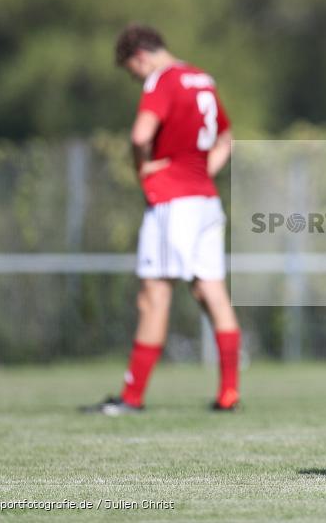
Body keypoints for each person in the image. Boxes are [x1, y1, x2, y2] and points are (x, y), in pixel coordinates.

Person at [82, 24, 241, 415]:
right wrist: (203, 170)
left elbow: (140, 136)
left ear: (140, 56)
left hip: (174, 202)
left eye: (133, 72)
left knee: (153, 296)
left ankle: (131, 398)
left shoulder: (162, 80)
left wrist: (146, 170)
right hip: (205, 199)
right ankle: (229, 393)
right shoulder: (202, 78)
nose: (138, 79)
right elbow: (225, 138)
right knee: (213, 294)